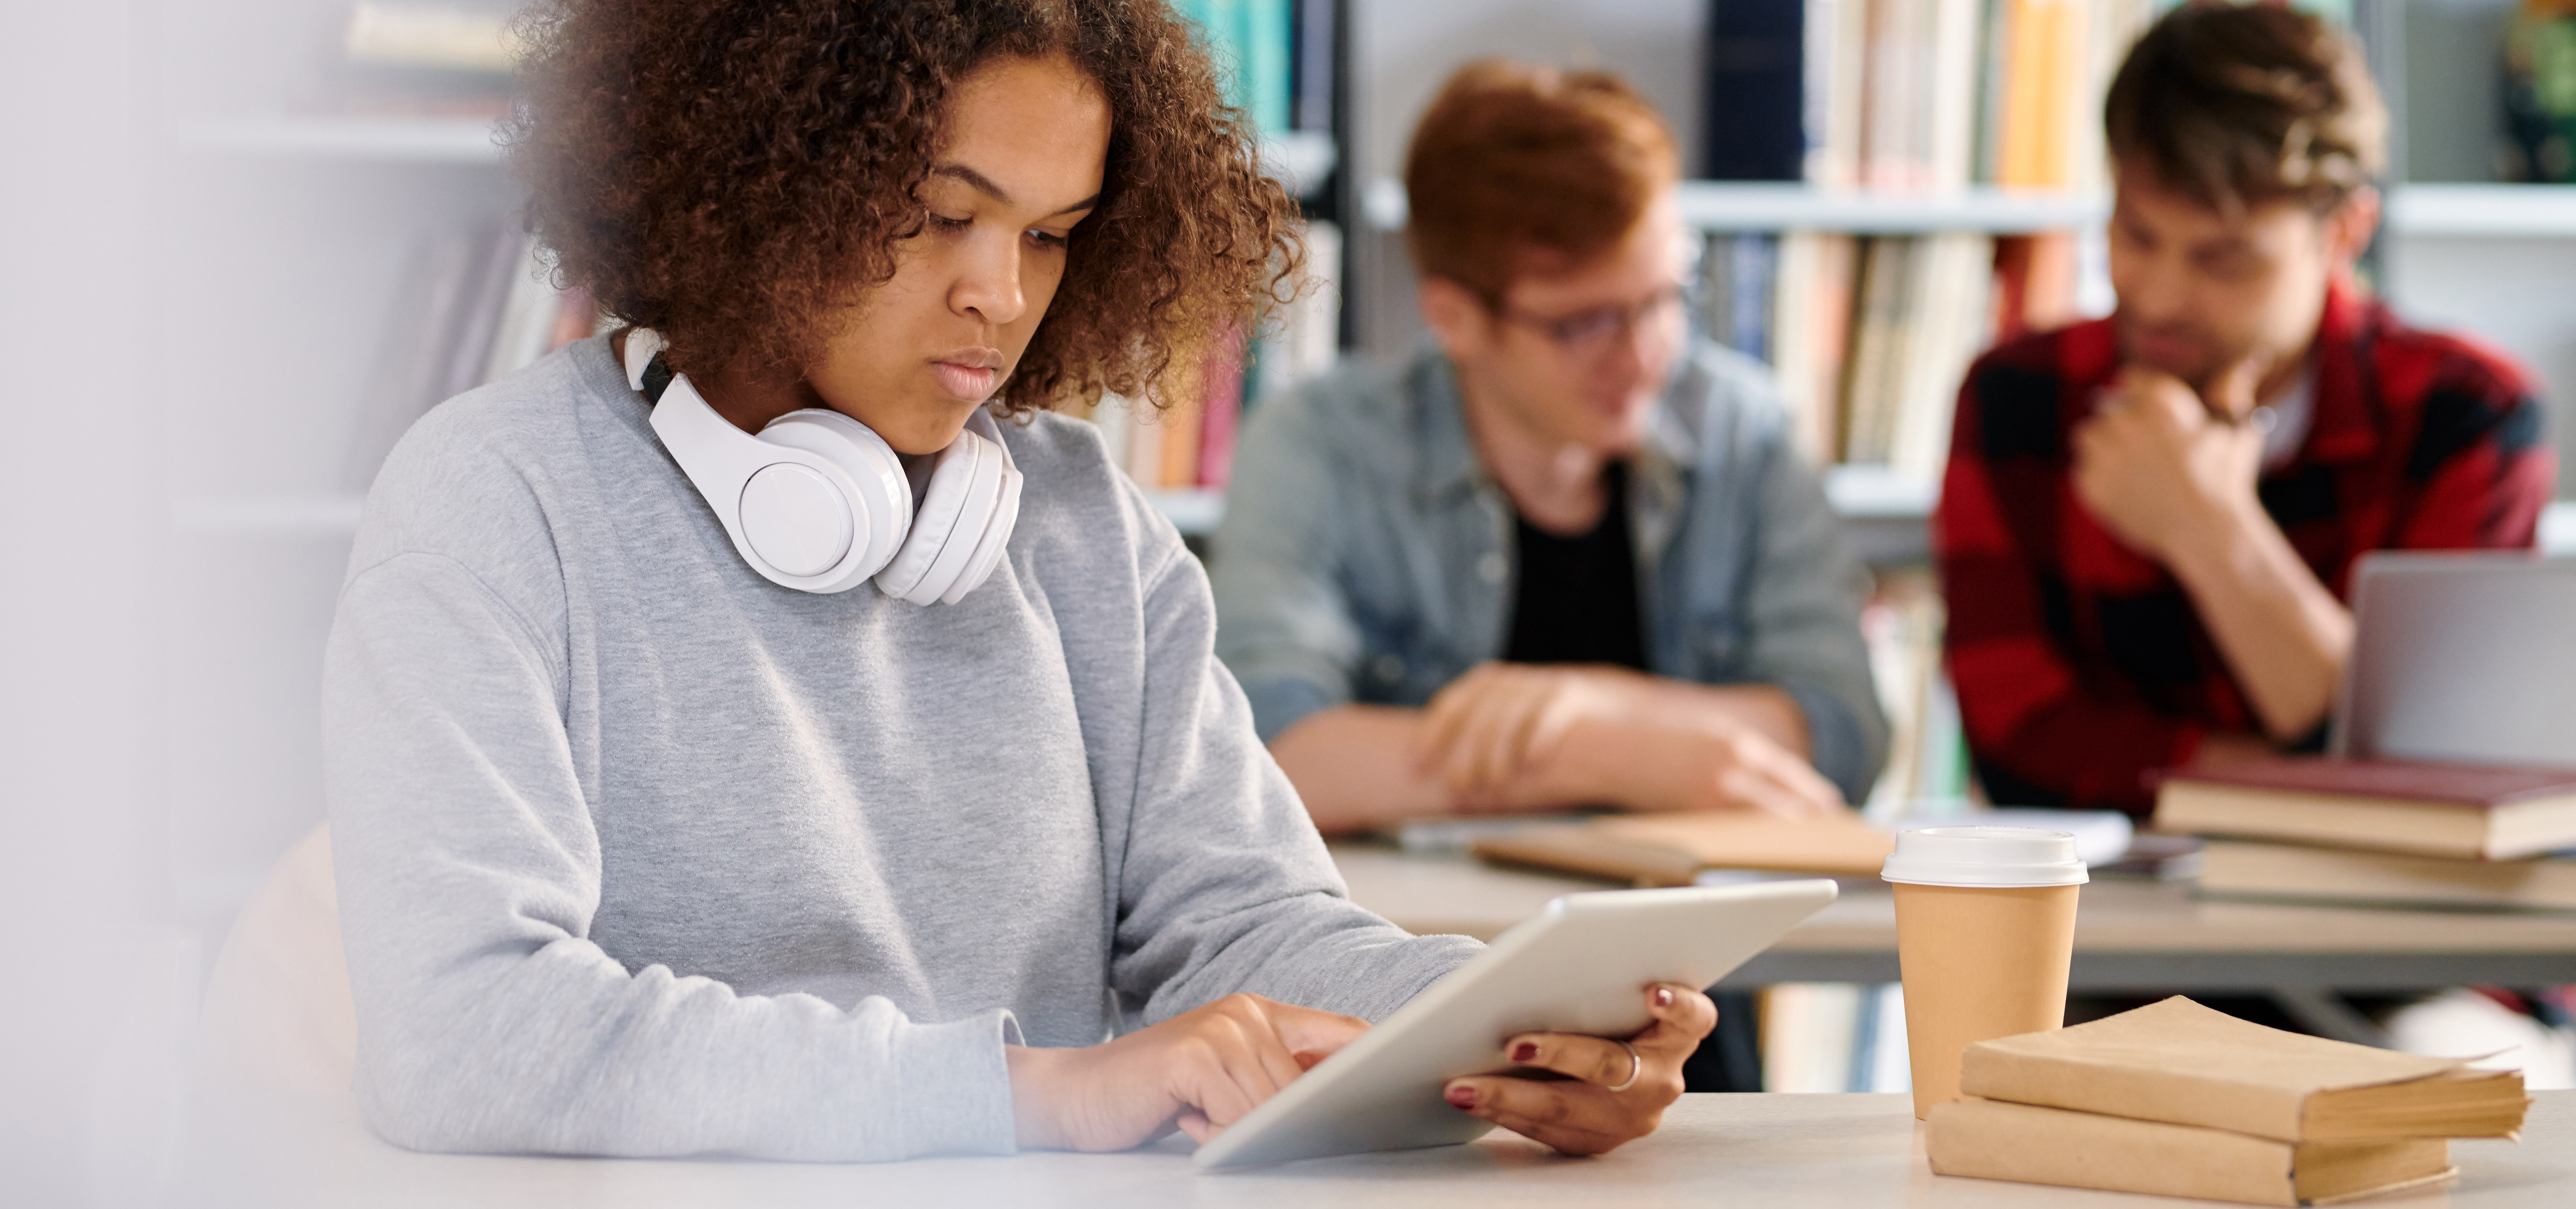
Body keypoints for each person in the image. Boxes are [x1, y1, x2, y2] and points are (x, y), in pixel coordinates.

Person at [322, 0, 1711, 1163]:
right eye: (940, 214)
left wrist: (1506, 1024)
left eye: (1051, 233)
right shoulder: (499, 500)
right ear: (752, 179)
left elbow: (1239, 919)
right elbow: (467, 1029)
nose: (1001, 292)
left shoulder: (1071, 520)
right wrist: (1024, 1091)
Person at [1211, 62, 1887, 836]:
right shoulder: (1321, 444)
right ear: (1455, 318)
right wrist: (1603, 756)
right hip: (1429, 939)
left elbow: (1841, 734)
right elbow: (1266, 755)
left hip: (1710, 935)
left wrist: (1598, 703)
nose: (1643, 357)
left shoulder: (1747, 429)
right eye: (1585, 324)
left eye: (1665, 298)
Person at [1938, 1, 2557, 815]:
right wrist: (2310, 783)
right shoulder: (2016, 394)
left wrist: (2209, 530)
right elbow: (2017, 743)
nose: (2156, 298)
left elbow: (2437, 771)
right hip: (2098, 915)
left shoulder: (2466, 414)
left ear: (2343, 232)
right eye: (2134, 235)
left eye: (2221, 259)